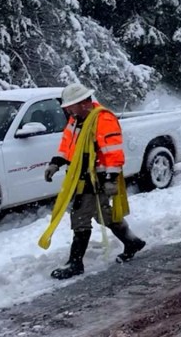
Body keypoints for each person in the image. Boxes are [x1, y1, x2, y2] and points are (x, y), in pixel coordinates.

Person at [38, 83, 146, 280]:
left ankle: (75, 263)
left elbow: (112, 152)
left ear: (83, 103)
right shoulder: (76, 119)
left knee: (80, 217)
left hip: (94, 178)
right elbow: (67, 145)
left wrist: (110, 179)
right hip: (78, 175)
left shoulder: (103, 119)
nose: (67, 109)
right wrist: (56, 162)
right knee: (103, 214)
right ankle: (132, 241)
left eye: (70, 105)